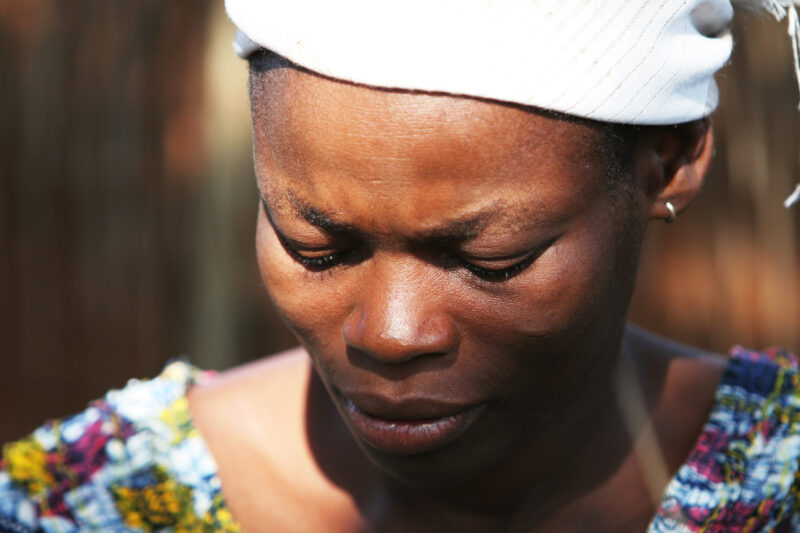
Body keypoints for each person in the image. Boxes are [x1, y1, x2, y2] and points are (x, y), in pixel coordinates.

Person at [1, 1, 799, 531]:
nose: (389, 332)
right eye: (315, 244)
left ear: (671, 162)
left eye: (491, 259)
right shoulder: (91, 502)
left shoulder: (782, 480)